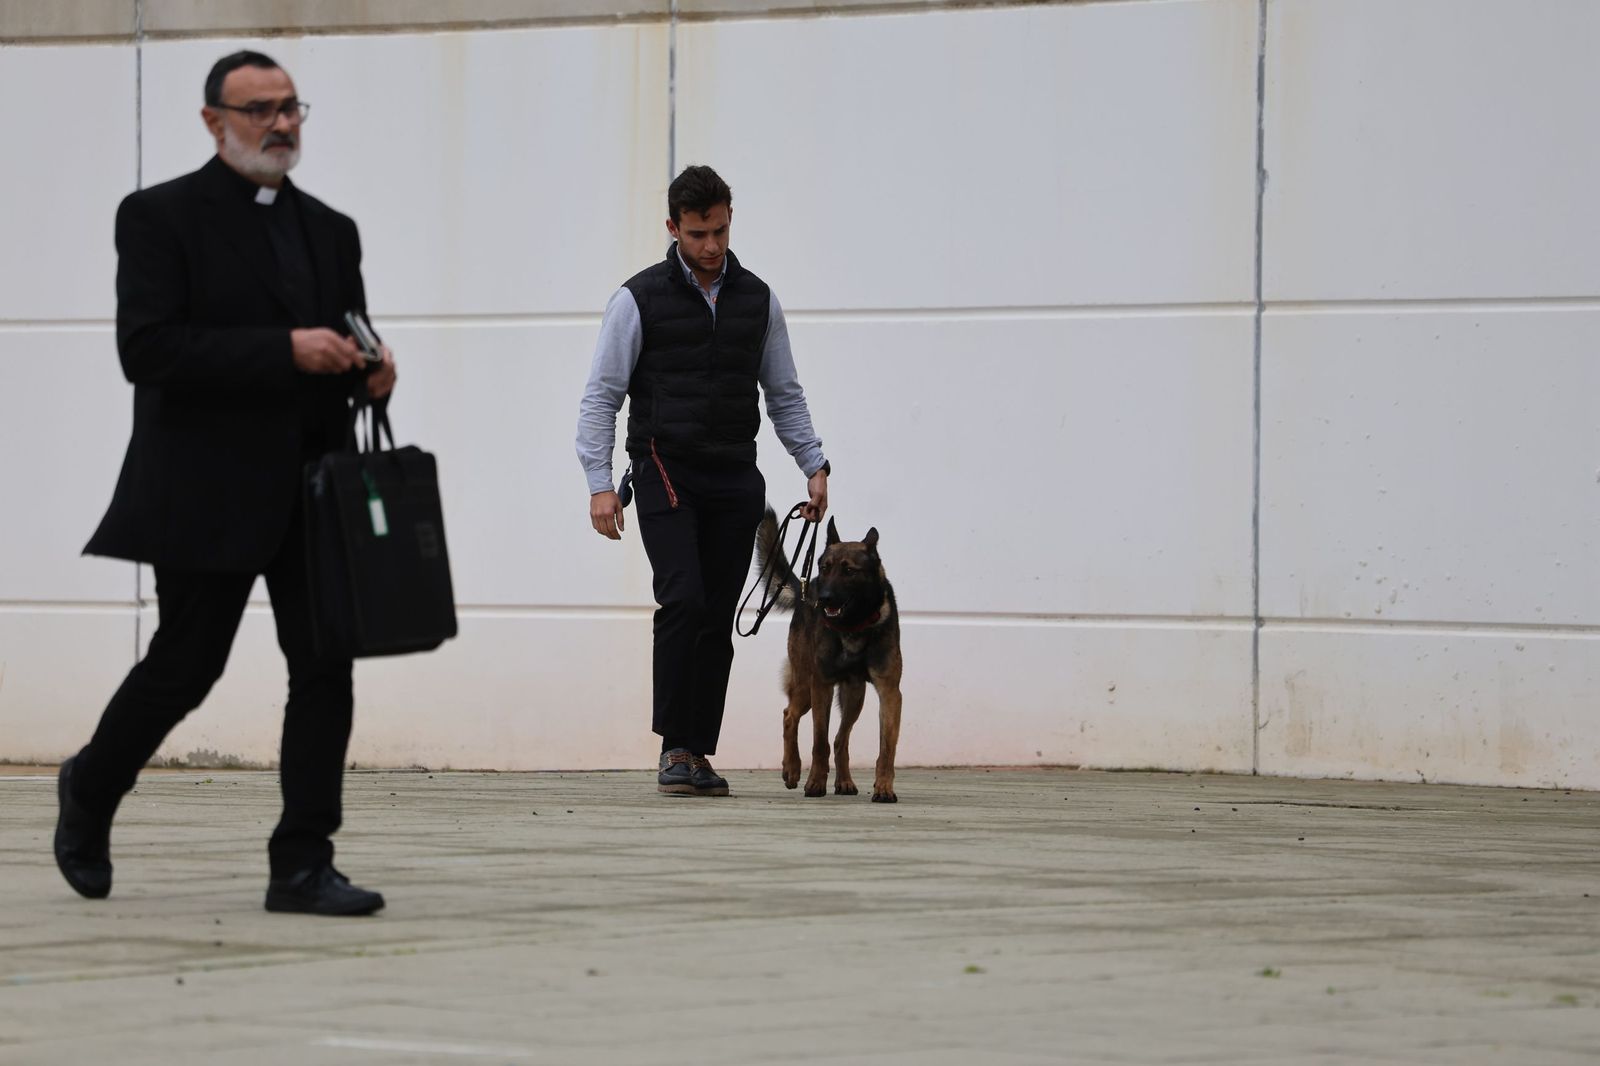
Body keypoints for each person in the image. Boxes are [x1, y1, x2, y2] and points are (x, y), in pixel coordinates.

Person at [54, 51, 397, 916]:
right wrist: (283, 351)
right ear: (213, 121)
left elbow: (346, 342)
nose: (281, 124)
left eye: (291, 108)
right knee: (186, 666)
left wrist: (370, 371)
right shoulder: (160, 217)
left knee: (325, 670)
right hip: (206, 487)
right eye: (259, 110)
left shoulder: (331, 228)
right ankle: (91, 788)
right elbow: (149, 350)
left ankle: (302, 862)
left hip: (313, 490)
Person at [576, 165, 830, 796]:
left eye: (718, 231)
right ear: (672, 229)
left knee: (716, 616)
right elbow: (601, 396)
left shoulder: (759, 300)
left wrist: (813, 463)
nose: (711, 246)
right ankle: (673, 749)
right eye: (696, 234)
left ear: (729, 221)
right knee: (683, 599)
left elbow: (784, 392)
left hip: (734, 476)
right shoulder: (637, 300)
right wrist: (599, 480)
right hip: (664, 468)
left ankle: (697, 751)